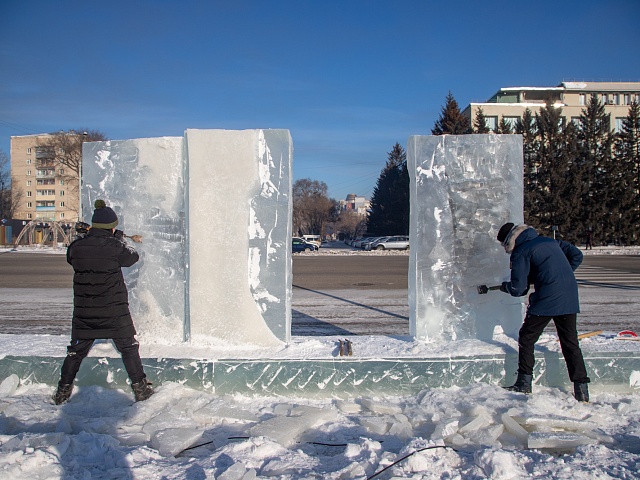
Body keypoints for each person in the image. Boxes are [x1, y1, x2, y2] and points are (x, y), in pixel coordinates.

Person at [53, 200, 154, 404]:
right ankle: (141, 389)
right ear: (112, 226)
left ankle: (62, 391)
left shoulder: (78, 247)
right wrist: (118, 239)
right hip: (114, 311)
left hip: (85, 314)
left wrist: (87, 236)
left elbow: (71, 255)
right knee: (128, 347)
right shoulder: (115, 247)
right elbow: (131, 257)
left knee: (75, 352)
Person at [496, 222, 590, 403]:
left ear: (508, 242)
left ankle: (524, 382)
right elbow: (577, 255)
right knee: (570, 342)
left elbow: (518, 289)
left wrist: (505, 286)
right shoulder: (550, 241)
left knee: (526, 337)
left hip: (547, 298)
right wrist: (558, 275)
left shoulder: (520, 252)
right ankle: (581, 389)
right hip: (569, 294)